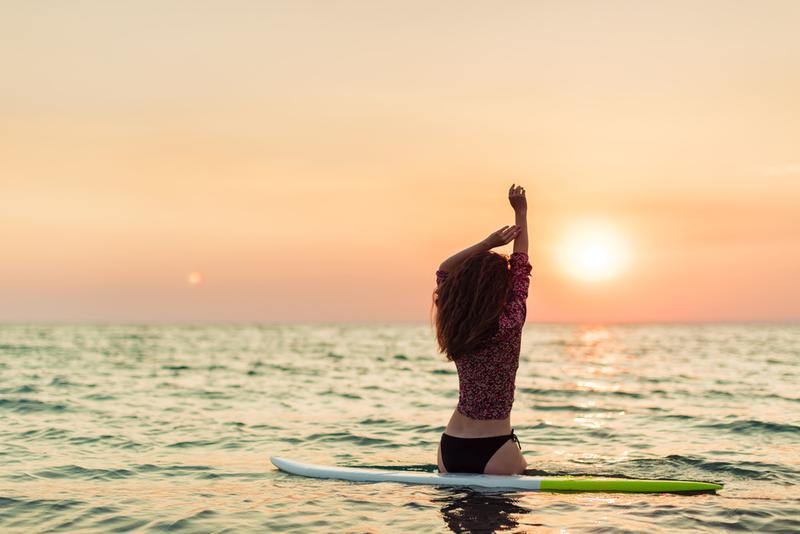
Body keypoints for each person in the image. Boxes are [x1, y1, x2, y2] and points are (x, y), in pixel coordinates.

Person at [432, 184, 531, 475]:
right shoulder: (509, 323)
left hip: (450, 446)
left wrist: (486, 243)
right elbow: (522, 265)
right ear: (500, 288)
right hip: (495, 448)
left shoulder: (456, 324)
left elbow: (444, 269)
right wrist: (521, 212)